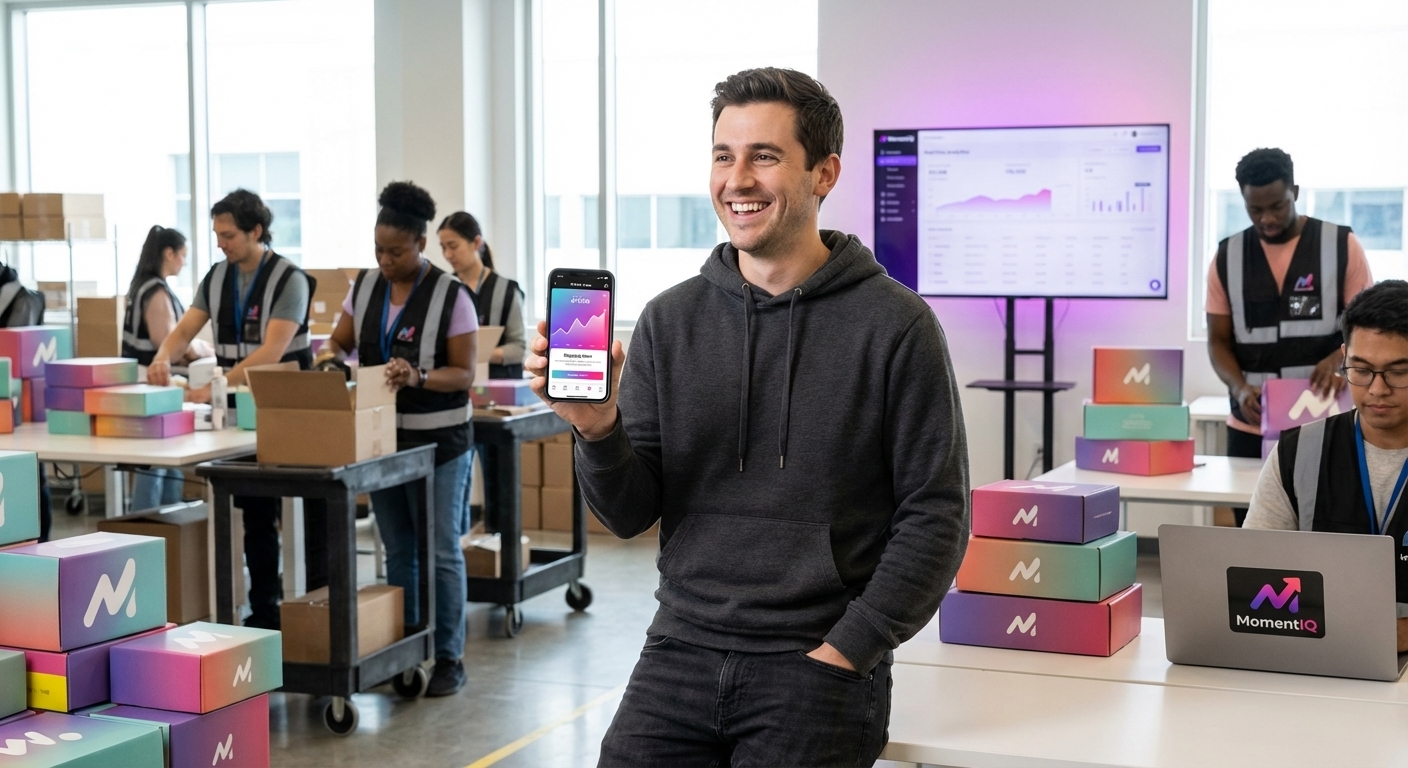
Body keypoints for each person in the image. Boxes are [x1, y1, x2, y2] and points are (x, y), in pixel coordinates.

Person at [526, 68, 969, 766]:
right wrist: (596, 425)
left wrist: (850, 648)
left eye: (764, 156)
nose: (738, 179)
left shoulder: (896, 326)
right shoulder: (670, 321)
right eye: (723, 156)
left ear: (824, 173)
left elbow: (935, 513)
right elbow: (627, 514)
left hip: (815, 665)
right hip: (679, 648)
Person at [315, 181, 477, 697]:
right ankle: (407, 645)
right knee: (399, 547)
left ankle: (449, 655)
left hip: (440, 444)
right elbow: (337, 343)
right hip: (382, 442)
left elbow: (464, 374)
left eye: (397, 251)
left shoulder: (452, 296)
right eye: (379, 250)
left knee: (442, 549)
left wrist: (419, 377)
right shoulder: (364, 288)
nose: (385, 260)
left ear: (421, 244)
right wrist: (326, 361)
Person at [149, 189, 323, 630]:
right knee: (256, 517)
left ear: (256, 231)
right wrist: (163, 357)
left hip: (289, 412)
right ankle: (264, 616)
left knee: (312, 518)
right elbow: (185, 328)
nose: (221, 243)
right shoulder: (217, 277)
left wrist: (218, 384)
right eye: (217, 235)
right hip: (238, 418)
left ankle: (317, 617)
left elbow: (274, 349)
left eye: (229, 235)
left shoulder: (290, 280)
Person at [1207, 148, 1374, 524]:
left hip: (1326, 420)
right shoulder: (1227, 256)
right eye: (1255, 210)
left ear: (1294, 191)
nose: (1266, 218)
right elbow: (1217, 339)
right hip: (1252, 425)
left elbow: (1367, 328)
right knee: (1255, 530)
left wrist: (1338, 358)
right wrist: (1237, 387)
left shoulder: (1341, 245)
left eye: (1277, 206)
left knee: (1327, 524)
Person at [1245, 280, 1408, 650]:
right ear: (1344, 357)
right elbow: (1252, 578)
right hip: (1316, 654)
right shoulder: (1298, 452)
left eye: (1398, 372)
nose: (1377, 390)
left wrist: (1397, 633)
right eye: (1361, 369)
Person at [123, 225, 213, 510]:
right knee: (155, 465)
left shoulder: (143, 287)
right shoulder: (156, 292)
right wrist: (205, 350)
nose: (184, 262)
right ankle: (149, 528)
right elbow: (170, 341)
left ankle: (170, 531)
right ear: (169, 253)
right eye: (183, 255)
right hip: (152, 387)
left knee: (168, 466)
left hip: (146, 387)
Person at [438, 212, 525, 378]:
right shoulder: (445, 289)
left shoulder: (506, 290)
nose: (448, 254)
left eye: (453, 246)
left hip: (500, 389)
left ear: (476, 242)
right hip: (457, 387)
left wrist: (477, 354)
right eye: (443, 248)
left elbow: (518, 349)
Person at [0, 264, 50, 540]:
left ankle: (38, 546)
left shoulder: (23, 299)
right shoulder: (23, 296)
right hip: (18, 407)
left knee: (30, 477)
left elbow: (19, 356)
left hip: (20, 406)